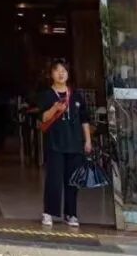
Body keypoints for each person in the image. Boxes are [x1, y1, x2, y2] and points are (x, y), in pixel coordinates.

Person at [37, 58, 92, 228]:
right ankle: (48, 212)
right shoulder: (47, 95)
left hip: (75, 144)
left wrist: (88, 140)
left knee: (72, 180)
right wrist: (55, 108)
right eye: (57, 70)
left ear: (68, 74)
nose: (61, 73)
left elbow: (84, 119)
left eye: (64, 70)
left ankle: (71, 214)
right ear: (51, 74)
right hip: (55, 143)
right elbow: (43, 118)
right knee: (54, 179)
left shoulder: (76, 95)